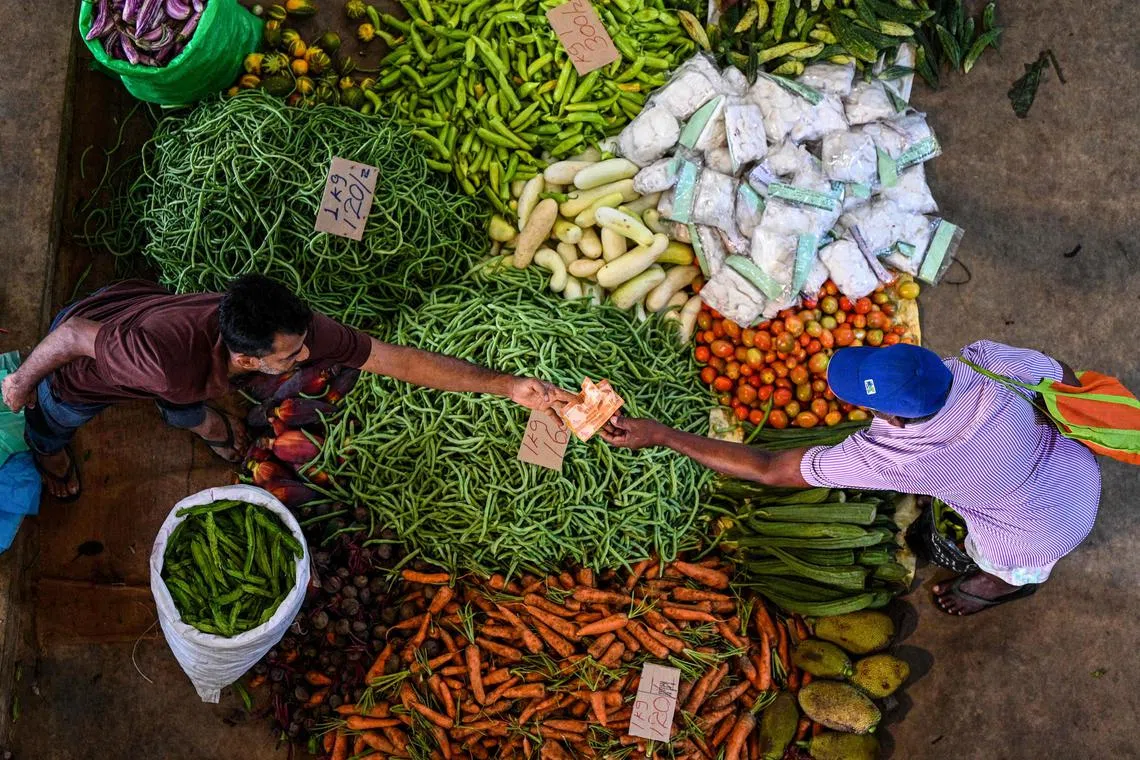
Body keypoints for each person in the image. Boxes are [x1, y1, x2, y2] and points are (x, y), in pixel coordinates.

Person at [601, 340, 1101, 616]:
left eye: (865, 405)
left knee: (990, 559)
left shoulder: (900, 457)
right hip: (1078, 471)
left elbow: (770, 469)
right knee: (982, 498)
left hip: (1039, 533)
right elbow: (1065, 375)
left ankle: (996, 587)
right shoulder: (983, 361)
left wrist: (665, 436)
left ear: (898, 420)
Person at [1, 275, 573, 502]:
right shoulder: (160, 359)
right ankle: (49, 452)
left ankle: (198, 422)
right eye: (290, 357)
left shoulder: (289, 331)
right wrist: (22, 384)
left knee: (185, 409)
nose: (305, 358)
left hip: (157, 348)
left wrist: (505, 385)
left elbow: (396, 361)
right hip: (87, 371)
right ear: (247, 357)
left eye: (302, 346)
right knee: (56, 421)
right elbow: (75, 335)